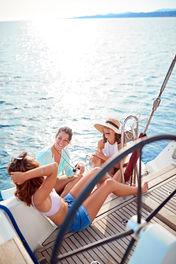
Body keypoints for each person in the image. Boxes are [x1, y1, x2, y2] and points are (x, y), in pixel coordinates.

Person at [8, 152, 148, 233]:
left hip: (69, 203)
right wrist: (25, 175)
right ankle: (137, 190)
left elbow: (53, 172)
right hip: (76, 220)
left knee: (96, 171)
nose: (38, 163)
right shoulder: (38, 196)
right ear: (29, 174)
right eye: (34, 164)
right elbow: (53, 167)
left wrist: (25, 176)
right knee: (109, 183)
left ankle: (115, 190)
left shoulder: (37, 186)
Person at [36, 126, 84, 197]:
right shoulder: (45, 154)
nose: (61, 142)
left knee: (79, 177)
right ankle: (61, 202)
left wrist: (77, 166)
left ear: (68, 142)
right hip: (41, 187)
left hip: (53, 183)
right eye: (59, 138)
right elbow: (33, 174)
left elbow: (69, 174)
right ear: (56, 137)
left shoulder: (65, 153)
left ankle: (62, 200)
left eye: (65, 140)